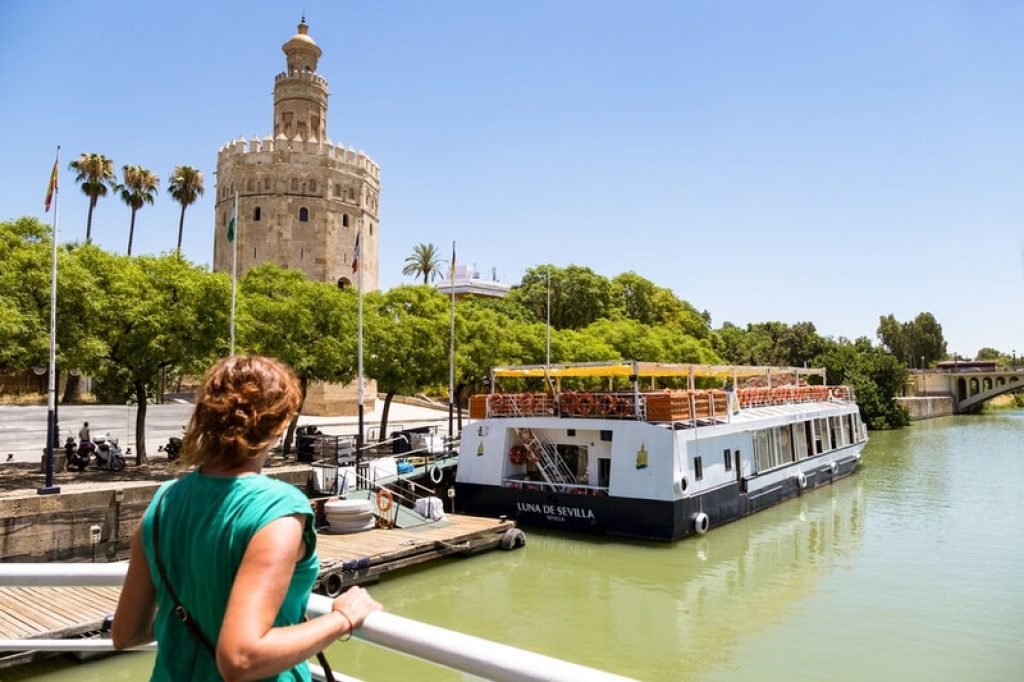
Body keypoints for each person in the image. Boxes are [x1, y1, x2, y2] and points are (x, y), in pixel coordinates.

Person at [112, 355, 382, 680]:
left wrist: (198, 613)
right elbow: (240, 658)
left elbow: (125, 633)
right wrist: (343, 619)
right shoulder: (278, 509)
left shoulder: (164, 500)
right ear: (281, 424)